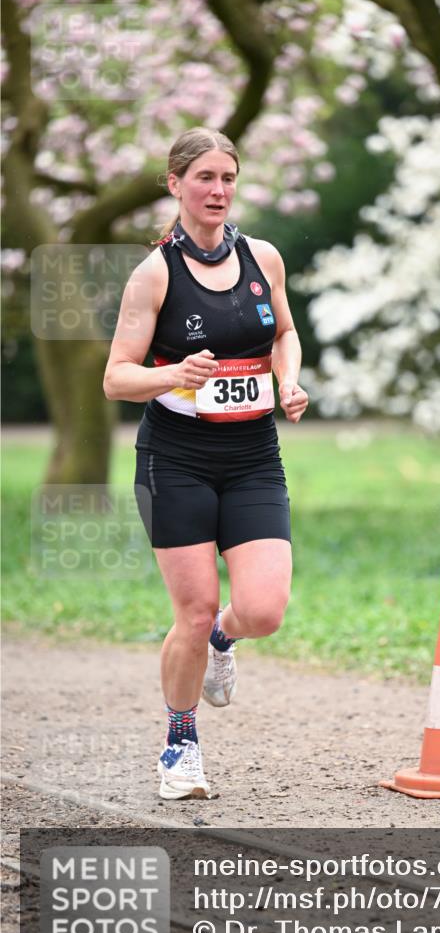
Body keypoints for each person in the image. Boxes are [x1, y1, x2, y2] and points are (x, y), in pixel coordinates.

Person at [103, 127, 308, 799]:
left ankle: (225, 640)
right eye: (205, 178)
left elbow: (284, 332)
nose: (218, 191)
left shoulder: (263, 258)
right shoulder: (154, 274)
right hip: (176, 460)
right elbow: (116, 378)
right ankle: (180, 745)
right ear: (175, 184)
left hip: (253, 457)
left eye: (228, 178)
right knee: (193, 611)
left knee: (264, 609)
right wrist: (173, 375)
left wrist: (287, 380)